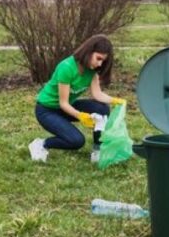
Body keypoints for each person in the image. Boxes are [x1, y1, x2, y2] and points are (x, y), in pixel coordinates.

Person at [29, 35, 126, 163]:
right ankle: (41, 144)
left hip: (66, 108)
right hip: (47, 110)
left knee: (102, 108)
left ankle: (97, 150)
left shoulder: (91, 70)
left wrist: (115, 100)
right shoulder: (67, 67)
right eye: (98, 58)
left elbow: (97, 94)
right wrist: (80, 115)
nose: (100, 64)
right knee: (76, 141)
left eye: (103, 61)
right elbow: (63, 103)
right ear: (89, 51)